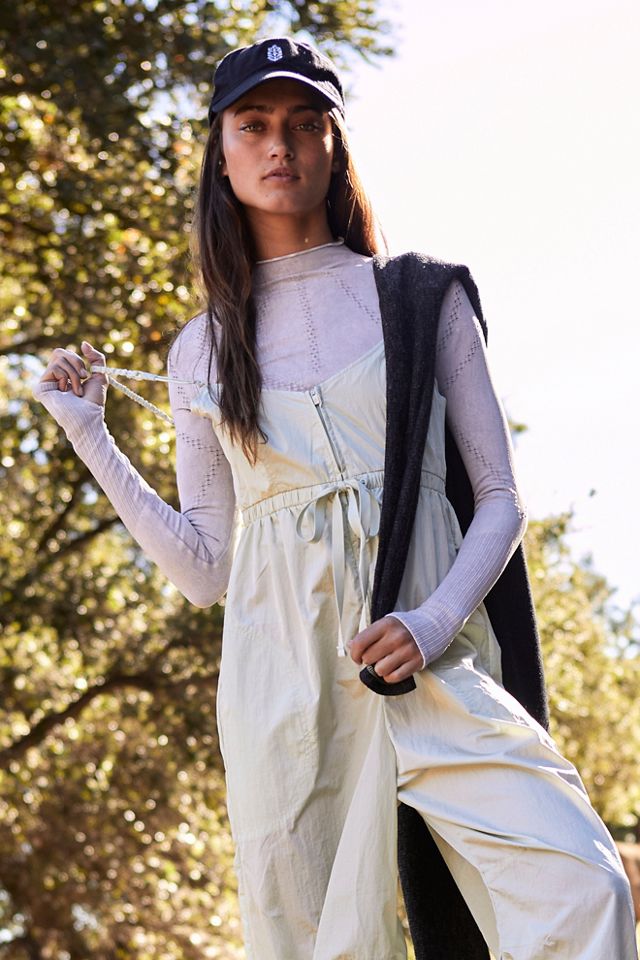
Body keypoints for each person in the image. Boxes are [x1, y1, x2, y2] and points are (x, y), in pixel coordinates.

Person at [32, 36, 637, 960]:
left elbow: (500, 498)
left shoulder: (420, 298)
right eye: (254, 124)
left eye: (305, 122)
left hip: (431, 664)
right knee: (313, 944)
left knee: (582, 887)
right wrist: (91, 435)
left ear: (333, 143)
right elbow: (204, 570)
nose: (281, 144)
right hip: (282, 687)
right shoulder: (201, 348)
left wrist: (432, 623)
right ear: (221, 153)